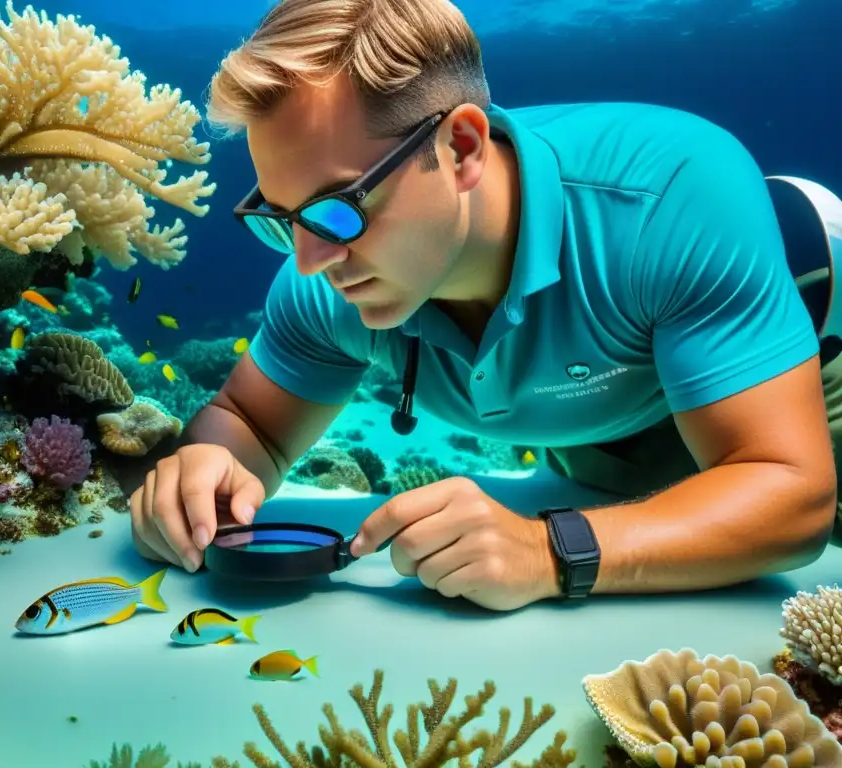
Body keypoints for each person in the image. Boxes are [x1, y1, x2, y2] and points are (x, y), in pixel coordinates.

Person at [129, 0, 839, 611]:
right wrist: (203, 473)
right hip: (606, 414)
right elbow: (249, 422)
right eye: (282, 219)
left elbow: (793, 495)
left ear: (462, 146)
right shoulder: (320, 275)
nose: (311, 262)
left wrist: (547, 552)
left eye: (338, 210)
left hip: (810, 326)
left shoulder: (679, 197)